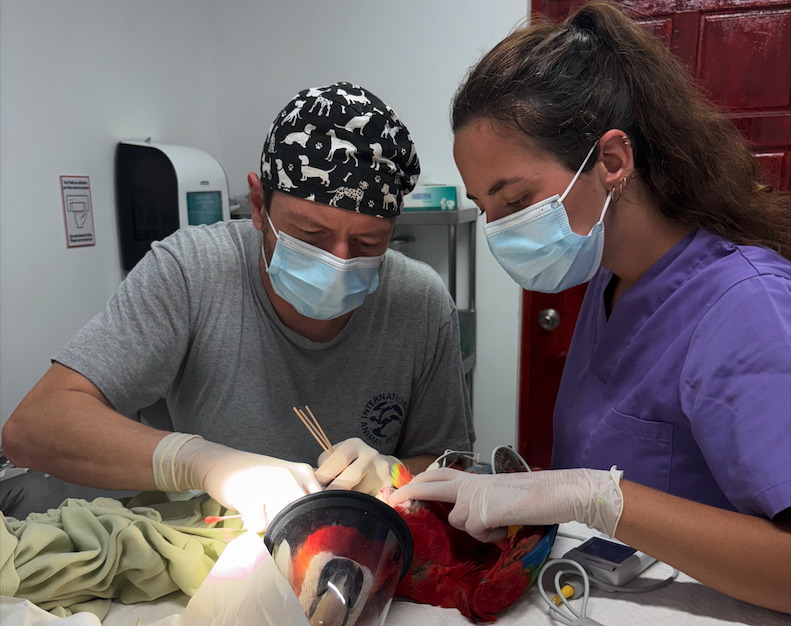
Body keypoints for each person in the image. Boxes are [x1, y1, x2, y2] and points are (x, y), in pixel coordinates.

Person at [392, 3, 791, 614]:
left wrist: (593, 497)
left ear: (611, 163)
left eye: (515, 201)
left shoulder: (747, 307)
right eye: (486, 209)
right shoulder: (611, 280)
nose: (499, 232)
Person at [3, 82, 474, 531]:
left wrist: (393, 473)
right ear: (257, 205)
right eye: (311, 235)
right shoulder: (191, 272)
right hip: (220, 547)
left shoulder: (419, 302)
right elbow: (33, 428)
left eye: (369, 242)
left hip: (356, 547)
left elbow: (450, 468)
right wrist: (200, 462)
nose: (339, 261)